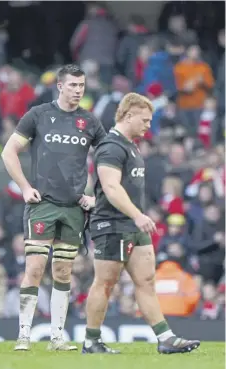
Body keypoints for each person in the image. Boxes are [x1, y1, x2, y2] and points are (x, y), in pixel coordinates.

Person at [82, 92, 200, 354]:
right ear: (128, 115)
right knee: (105, 283)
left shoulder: (131, 145)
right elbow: (111, 188)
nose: (148, 125)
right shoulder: (110, 147)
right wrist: (137, 214)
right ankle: (91, 341)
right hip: (112, 225)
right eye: (145, 120)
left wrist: (137, 218)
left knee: (146, 280)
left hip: (133, 226)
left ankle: (165, 338)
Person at [1, 64, 106, 351]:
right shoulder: (39, 115)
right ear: (59, 86)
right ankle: (23, 335)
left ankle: (57, 338)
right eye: (72, 85)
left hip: (73, 207)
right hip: (42, 204)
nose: (78, 90)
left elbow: (109, 160)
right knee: (34, 268)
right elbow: (9, 151)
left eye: (81, 86)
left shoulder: (90, 122)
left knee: (63, 271)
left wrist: (96, 195)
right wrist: (24, 187)